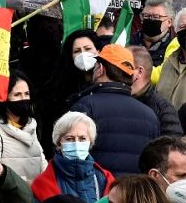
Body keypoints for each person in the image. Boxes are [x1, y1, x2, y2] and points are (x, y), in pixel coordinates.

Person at [67, 45, 161, 177]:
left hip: (97, 193)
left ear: (100, 69)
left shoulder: (85, 106)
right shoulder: (150, 115)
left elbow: (70, 158)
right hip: (135, 194)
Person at [0, 72, 48, 182]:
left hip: (36, 198)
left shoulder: (31, 128)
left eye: (26, 94)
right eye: (17, 95)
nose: (23, 99)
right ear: (3, 99)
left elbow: (43, 169)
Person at [31, 112, 113, 203]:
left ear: (90, 142)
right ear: (58, 143)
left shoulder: (105, 180)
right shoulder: (43, 184)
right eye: (70, 139)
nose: (76, 144)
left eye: (82, 138)